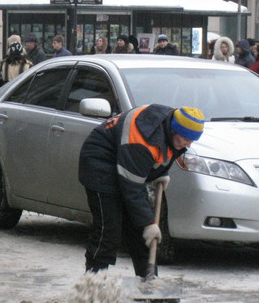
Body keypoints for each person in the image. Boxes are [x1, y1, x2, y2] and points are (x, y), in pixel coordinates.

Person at [78, 105, 204, 278]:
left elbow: (167, 149)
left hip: (127, 162)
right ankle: (94, 283)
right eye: (185, 139)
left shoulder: (171, 123)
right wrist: (149, 223)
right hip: (100, 162)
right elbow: (132, 189)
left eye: (192, 140)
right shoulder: (142, 140)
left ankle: (149, 282)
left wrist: (161, 171)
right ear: (174, 130)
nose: (188, 145)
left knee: (141, 234)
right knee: (109, 230)